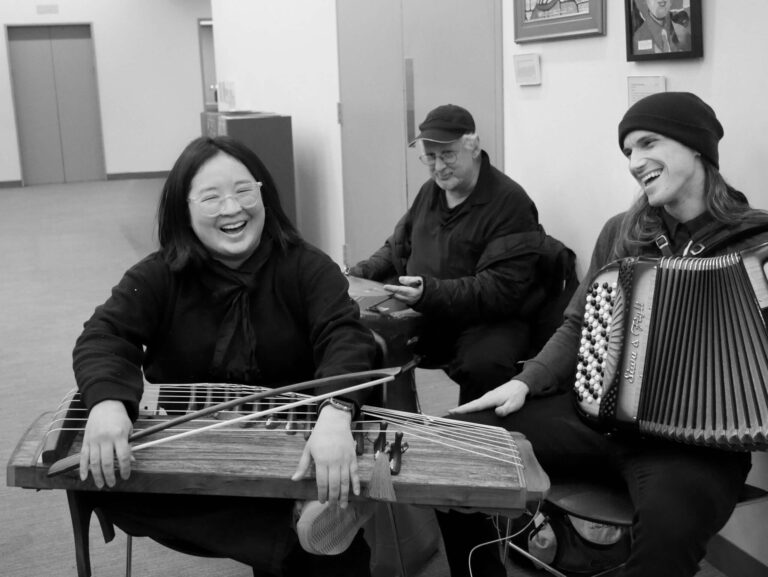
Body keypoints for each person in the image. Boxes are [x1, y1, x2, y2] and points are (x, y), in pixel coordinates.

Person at [439, 92, 768, 577]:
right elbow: (577, 323)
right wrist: (525, 382)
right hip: (596, 419)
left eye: (647, 143)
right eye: (628, 151)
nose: (634, 162)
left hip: (696, 448)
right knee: (458, 445)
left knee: (665, 542)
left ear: (696, 146)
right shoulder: (623, 231)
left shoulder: (755, 243)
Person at [73, 136, 379, 577]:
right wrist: (106, 402)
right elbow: (103, 335)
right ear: (185, 209)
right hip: (190, 448)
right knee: (108, 478)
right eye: (211, 197)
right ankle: (295, 525)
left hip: (292, 448)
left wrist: (335, 412)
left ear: (264, 194)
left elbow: (345, 335)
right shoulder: (160, 275)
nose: (232, 209)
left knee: (334, 547)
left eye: (243, 191)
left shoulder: (308, 267)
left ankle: (302, 523)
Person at [349, 104, 545, 404]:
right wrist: (359, 274)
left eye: (448, 155)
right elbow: (398, 244)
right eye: (430, 157)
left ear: (474, 147)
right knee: (360, 335)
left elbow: (501, 290)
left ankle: (476, 442)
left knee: (483, 364)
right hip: (431, 309)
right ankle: (377, 428)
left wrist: (429, 292)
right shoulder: (431, 191)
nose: (438, 167)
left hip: (488, 318)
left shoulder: (509, 203)